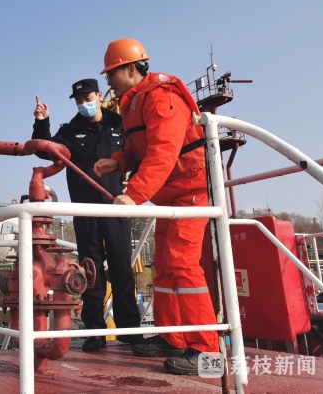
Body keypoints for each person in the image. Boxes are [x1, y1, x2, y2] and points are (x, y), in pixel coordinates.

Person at [94, 38, 219, 375]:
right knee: (162, 268)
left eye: (111, 74)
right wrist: (118, 161)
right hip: (168, 195)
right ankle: (173, 338)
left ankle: (207, 351)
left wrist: (133, 193)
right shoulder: (133, 103)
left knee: (182, 265)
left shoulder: (161, 97)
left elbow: (164, 150)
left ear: (129, 69)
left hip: (189, 191)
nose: (108, 82)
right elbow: (140, 149)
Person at [32, 78, 141, 352]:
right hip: (84, 211)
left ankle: (130, 331)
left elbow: (139, 153)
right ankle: (95, 332)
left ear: (99, 95)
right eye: (79, 101)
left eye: (87, 98)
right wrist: (42, 123)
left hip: (116, 208)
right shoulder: (71, 129)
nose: (84, 104)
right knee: (91, 271)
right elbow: (46, 150)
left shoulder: (120, 124)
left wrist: (135, 184)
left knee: (122, 267)